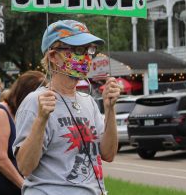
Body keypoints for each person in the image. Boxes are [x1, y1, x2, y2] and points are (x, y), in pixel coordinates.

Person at [14, 20, 121, 195]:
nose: (87, 57)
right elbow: (25, 167)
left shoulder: (88, 101)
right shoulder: (36, 101)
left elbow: (108, 154)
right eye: (79, 50)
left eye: (90, 50)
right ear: (53, 56)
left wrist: (110, 109)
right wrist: (41, 120)